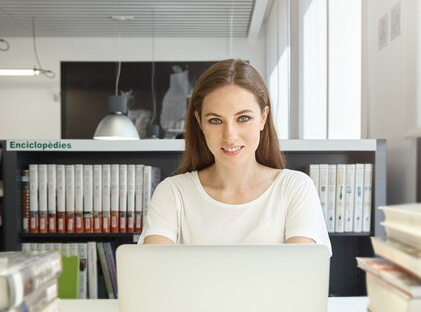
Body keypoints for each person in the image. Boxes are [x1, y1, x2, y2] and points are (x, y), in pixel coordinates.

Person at [139, 59, 330, 251]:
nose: (230, 135)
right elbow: (154, 275)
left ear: (263, 118)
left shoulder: (294, 188)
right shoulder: (173, 193)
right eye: (215, 120)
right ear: (200, 122)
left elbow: (301, 276)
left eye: (243, 118)